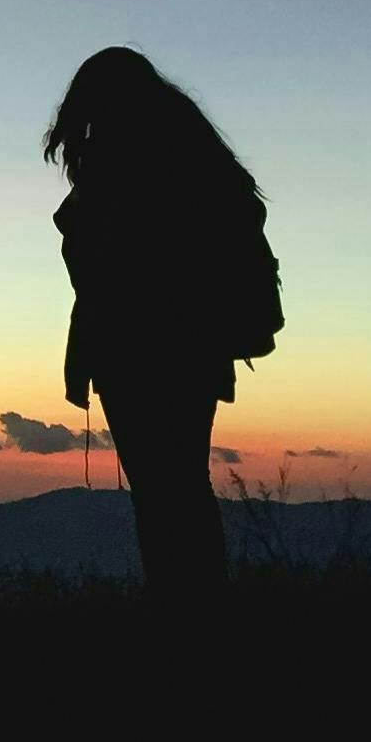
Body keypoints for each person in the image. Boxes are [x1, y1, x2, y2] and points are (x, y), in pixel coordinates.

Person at [44, 47, 280, 599]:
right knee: (181, 485)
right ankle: (196, 596)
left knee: (159, 491)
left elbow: (104, 256)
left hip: (137, 347)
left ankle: (182, 601)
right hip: (196, 346)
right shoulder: (193, 154)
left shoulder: (122, 157)